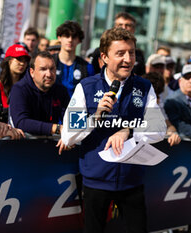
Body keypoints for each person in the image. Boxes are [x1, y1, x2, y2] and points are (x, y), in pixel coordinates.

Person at [59, 27, 166, 233]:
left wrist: (129, 130)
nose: (128, 59)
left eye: (131, 52)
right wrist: (95, 116)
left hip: (131, 180)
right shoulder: (87, 87)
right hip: (96, 179)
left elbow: (159, 129)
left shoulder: (143, 87)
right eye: (120, 53)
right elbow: (68, 135)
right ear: (104, 57)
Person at [9, 51, 70, 135]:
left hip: (51, 143)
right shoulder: (19, 89)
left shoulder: (61, 90)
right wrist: (56, 128)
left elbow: (69, 119)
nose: (49, 74)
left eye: (52, 69)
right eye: (43, 69)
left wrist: (68, 138)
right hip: (24, 144)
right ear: (32, 72)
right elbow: (21, 122)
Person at [0, 44, 30, 123]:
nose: (22, 63)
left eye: (25, 60)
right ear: (9, 61)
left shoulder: (27, 87)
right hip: (1, 133)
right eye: (19, 59)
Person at [53, 20, 94, 96]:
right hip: (52, 107)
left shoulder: (87, 67)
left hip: (75, 108)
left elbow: (89, 93)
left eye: (74, 37)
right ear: (59, 38)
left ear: (79, 40)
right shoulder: (50, 62)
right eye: (66, 36)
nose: (70, 40)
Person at [143, 72, 181, 146]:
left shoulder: (158, 106)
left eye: (157, 96)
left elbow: (169, 126)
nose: (156, 100)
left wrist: (173, 134)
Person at [114, 12, 145, 76]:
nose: (124, 28)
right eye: (120, 25)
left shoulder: (139, 55)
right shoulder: (102, 51)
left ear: (133, 29)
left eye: (127, 25)